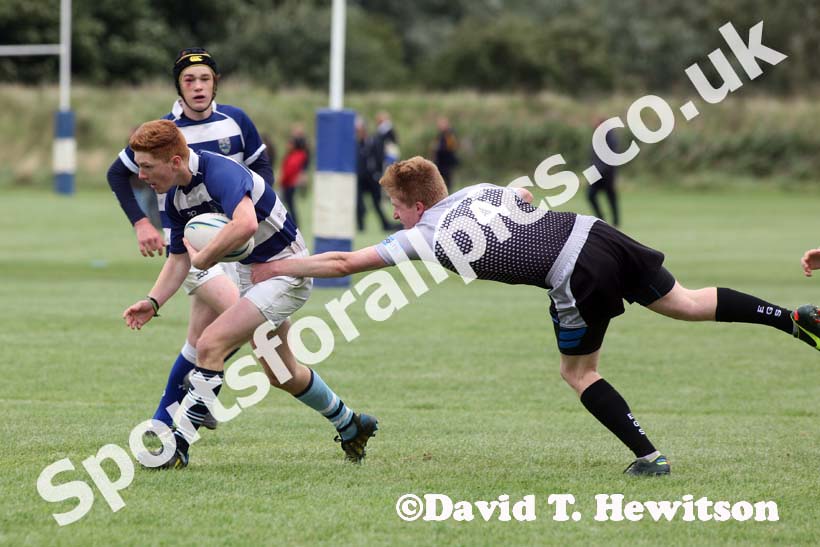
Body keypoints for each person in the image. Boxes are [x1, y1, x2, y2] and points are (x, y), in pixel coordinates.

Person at [251, 156, 820, 476]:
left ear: (417, 205)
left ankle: (650, 457)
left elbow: (346, 260)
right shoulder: (477, 190)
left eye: (396, 208)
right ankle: (792, 317)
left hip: (574, 270)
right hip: (595, 232)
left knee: (578, 373)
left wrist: (280, 269)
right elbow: (522, 197)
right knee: (688, 302)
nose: (395, 216)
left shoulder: (426, 233)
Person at [122, 120, 379, 468]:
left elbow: (245, 225)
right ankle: (350, 424)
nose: (141, 174)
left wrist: (206, 257)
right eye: (139, 166)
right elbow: (179, 259)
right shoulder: (175, 197)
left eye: (147, 166)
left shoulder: (219, 172)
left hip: (286, 269)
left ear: (176, 161)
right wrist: (153, 301)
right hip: (252, 274)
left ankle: (177, 448)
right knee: (281, 372)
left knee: (210, 344)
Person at [108, 47, 275, 433]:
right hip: (189, 246)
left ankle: (166, 416)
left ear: (215, 83)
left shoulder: (236, 121)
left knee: (199, 340)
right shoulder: (163, 133)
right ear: (178, 87)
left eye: (205, 79)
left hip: (237, 242)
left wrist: (262, 217)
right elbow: (117, 174)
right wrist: (141, 223)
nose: (198, 87)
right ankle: (198, 393)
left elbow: (260, 168)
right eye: (189, 80)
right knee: (240, 318)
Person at [355, 116, 394, 231]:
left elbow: (380, 157)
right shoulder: (355, 144)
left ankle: (385, 224)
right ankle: (361, 226)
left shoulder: (373, 141)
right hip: (360, 178)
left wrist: (377, 172)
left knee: (377, 203)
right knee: (359, 204)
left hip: (372, 177)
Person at [586, 118, 620, 227]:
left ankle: (616, 222)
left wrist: (601, 171)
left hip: (607, 174)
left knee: (611, 197)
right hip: (596, 173)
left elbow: (611, 158)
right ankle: (601, 219)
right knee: (590, 195)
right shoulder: (596, 138)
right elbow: (593, 158)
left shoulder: (611, 139)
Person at [278, 125, 310, 227]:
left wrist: (282, 180)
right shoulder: (295, 155)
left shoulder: (297, 156)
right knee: (289, 205)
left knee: (287, 205)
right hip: (289, 183)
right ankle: (293, 223)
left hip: (289, 184)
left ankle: (293, 224)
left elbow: (290, 171)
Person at [431, 116, 459, 191]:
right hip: (440, 160)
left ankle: (448, 192)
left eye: (442, 124)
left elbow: (451, 147)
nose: (439, 126)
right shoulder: (441, 134)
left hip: (446, 160)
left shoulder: (449, 134)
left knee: (447, 178)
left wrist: (438, 148)